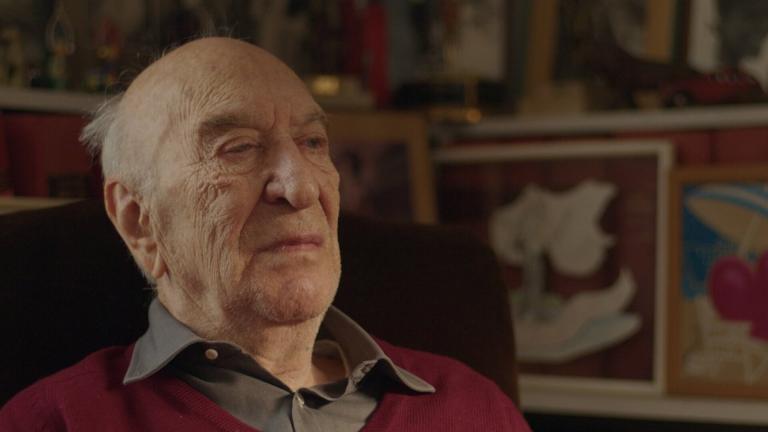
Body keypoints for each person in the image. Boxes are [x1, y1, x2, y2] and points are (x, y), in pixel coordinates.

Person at [0, 37, 530, 431]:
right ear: (139, 220)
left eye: (313, 142)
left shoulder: (474, 408)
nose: (300, 187)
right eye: (238, 148)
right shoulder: (56, 421)